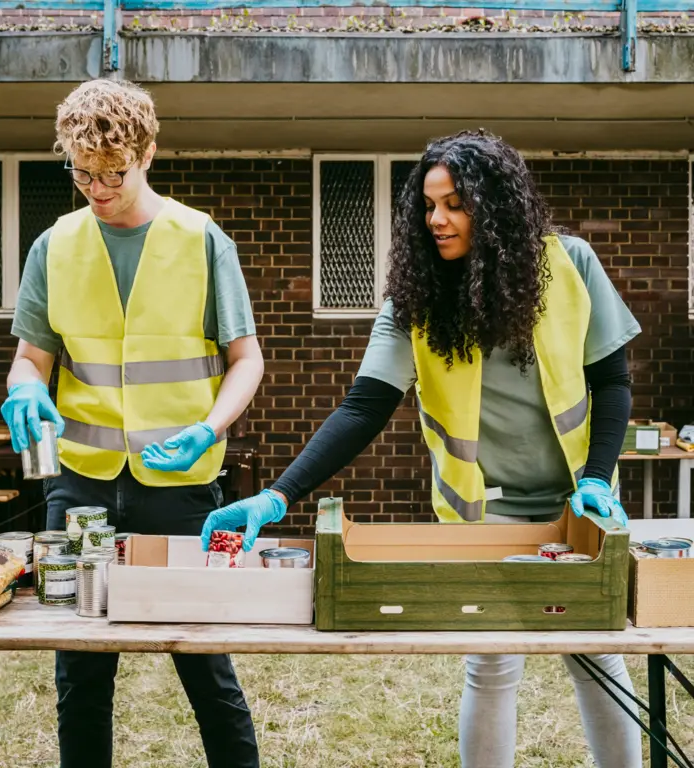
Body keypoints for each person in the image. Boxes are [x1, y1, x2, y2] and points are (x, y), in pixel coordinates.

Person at [201, 131, 643, 768]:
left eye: (455, 204)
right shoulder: (416, 299)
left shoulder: (569, 265)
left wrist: (599, 477)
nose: (437, 219)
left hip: (582, 500)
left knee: (597, 656)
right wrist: (278, 495)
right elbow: (364, 407)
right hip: (485, 514)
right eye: (429, 206)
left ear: (496, 208)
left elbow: (612, 382)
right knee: (491, 661)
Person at [1, 78, 263, 768]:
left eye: (112, 173)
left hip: (179, 486)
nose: (97, 188)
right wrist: (23, 389)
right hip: (80, 484)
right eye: (82, 172)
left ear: (147, 153)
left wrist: (210, 427)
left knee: (205, 666)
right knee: (81, 674)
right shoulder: (53, 246)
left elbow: (247, 360)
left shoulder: (201, 240)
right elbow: (30, 359)